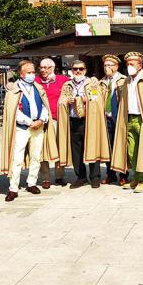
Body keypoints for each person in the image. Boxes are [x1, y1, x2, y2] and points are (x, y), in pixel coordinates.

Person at [1, 60, 58, 202]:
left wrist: (41, 120)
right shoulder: (14, 89)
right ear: (21, 73)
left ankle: (31, 183)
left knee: (36, 156)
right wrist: (29, 122)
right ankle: (13, 188)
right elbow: (13, 111)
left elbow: (45, 106)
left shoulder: (38, 87)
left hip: (38, 127)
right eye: (29, 72)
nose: (32, 75)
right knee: (17, 158)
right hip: (22, 128)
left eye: (33, 72)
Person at [111, 52, 143, 193]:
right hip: (129, 118)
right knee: (131, 151)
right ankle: (136, 177)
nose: (129, 67)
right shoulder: (127, 81)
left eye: (132, 64)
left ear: (139, 65)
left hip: (142, 119)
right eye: (127, 64)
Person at [57, 60, 110, 189]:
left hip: (89, 120)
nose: (78, 71)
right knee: (76, 151)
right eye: (75, 69)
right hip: (73, 120)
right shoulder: (67, 85)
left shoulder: (92, 84)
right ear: (71, 70)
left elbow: (98, 100)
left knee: (93, 147)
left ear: (85, 70)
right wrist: (66, 101)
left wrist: (86, 100)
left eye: (81, 69)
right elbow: (60, 101)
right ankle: (80, 177)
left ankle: (95, 177)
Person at [36, 58, 70, 189]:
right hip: (41, 120)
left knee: (59, 147)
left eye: (46, 67)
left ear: (52, 68)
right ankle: (45, 178)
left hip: (57, 119)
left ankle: (59, 176)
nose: (43, 70)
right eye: (41, 67)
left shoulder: (63, 80)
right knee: (41, 150)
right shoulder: (36, 81)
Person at [99, 54, 128, 185]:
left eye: (109, 65)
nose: (107, 68)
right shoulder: (101, 82)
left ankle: (123, 174)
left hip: (119, 118)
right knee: (108, 146)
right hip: (106, 118)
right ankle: (110, 174)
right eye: (105, 65)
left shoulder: (124, 80)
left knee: (121, 146)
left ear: (116, 67)